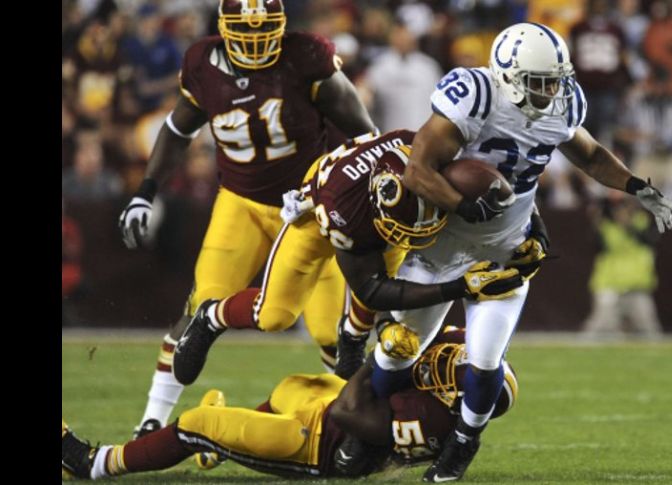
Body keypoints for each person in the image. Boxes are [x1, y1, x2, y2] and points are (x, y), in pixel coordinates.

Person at [365, 22, 672, 482]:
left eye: (555, 80)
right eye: (539, 81)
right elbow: (417, 170)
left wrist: (636, 186)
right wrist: (464, 204)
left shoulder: (563, 102)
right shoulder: (476, 95)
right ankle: (369, 435)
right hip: (442, 247)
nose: (551, 90)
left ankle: (462, 447)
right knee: (396, 351)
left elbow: (589, 155)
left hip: (506, 251)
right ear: (507, 75)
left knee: (485, 359)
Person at [117, 0, 379, 439]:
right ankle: (152, 420)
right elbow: (178, 129)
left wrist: (346, 193)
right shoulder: (202, 63)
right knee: (202, 303)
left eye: (265, 31)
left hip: (309, 211)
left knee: (330, 330)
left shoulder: (306, 56)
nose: (256, 42)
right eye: (245, 31)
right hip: (241, 203)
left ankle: (345, 429)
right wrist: (145, 192)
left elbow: (363, 133)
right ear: (223, 27)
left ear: (281, 27)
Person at [171, 130, 525, 387]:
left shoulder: (422, 156)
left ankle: (352, 336)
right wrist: (457, 288)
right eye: (400, 229)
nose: (407, 239)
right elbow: (372, 289)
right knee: (275, 315)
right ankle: (211, 317)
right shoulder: (346, 212)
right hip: (315, 215)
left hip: (368, 205)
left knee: (385, 266)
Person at [62, 329, 518, 480]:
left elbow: (347, 411)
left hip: (320, 442)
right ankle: (216, 448)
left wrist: (379, 358)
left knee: (197, 421)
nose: (447, 361)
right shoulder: (458, 369)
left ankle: (95, 463)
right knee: (288, 386)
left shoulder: (434, 421)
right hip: (327, 407)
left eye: (455, 372)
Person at [582, 196, 663, 339]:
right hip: (609, 284)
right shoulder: (606, 226)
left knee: (648, 330)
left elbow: (649, 240)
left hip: (637, 285)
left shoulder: (642, 221)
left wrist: (629, 226)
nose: (622, 212)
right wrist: (597, 222)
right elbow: (596, 246)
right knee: (600, 328)